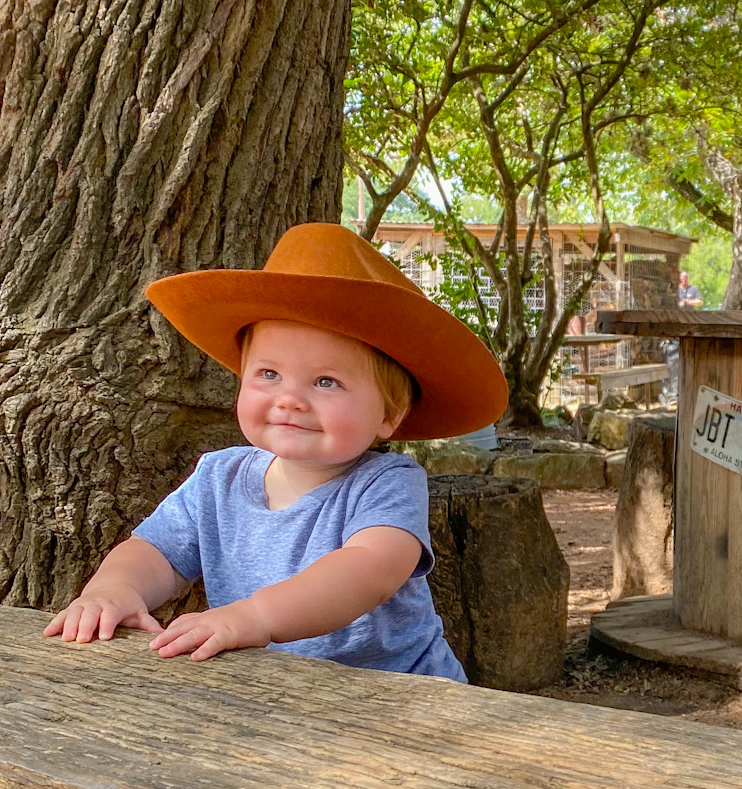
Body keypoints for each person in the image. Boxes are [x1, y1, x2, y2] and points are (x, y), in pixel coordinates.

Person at [45, 224, 508, 677]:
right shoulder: (217, 478)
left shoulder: (387, 484)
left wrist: (257, 617)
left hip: (400, 698)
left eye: (326, 381)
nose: (289, 398)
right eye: (268, 374)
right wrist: (113, 589)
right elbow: (157, 551)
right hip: (271, 693)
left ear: (389, 415)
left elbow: (372, 568)